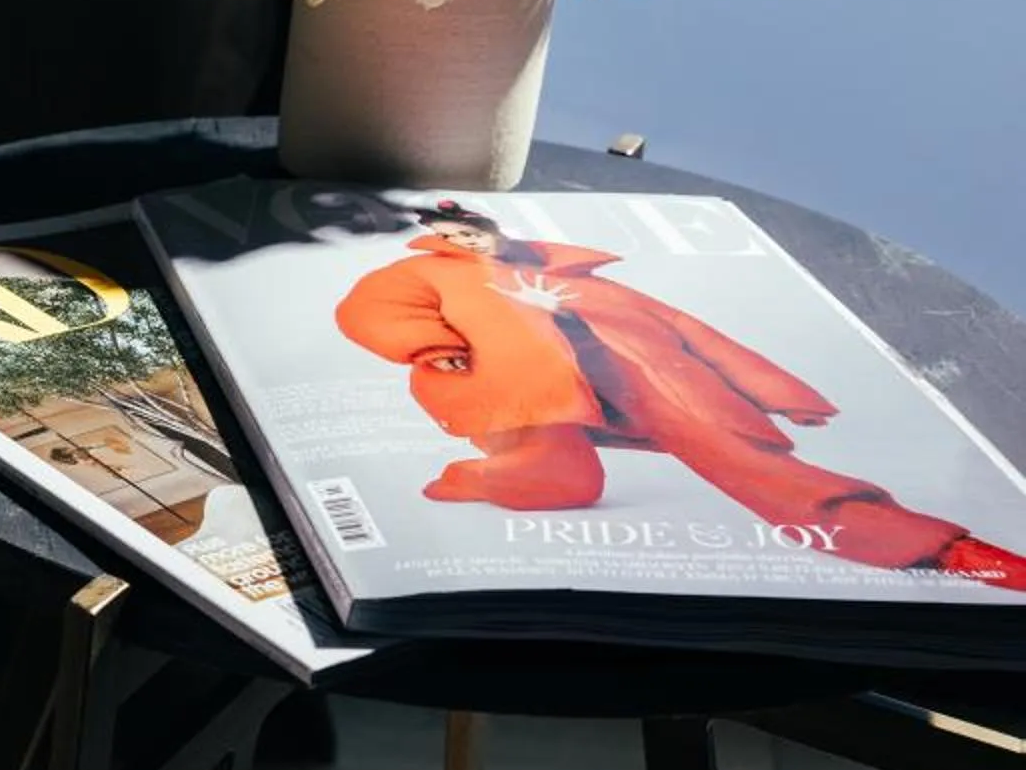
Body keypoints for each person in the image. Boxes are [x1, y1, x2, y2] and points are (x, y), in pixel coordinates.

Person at [333, 201, 1026, 589]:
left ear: (495, 229)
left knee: (751, 460)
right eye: (448, 234)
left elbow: (694, 333)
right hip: (516, 388)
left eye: (470, 229)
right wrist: (430, 345)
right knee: (559, 477)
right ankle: (483, 476)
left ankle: (930, 548)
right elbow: (370, 309)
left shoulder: (589, 280)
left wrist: (778, 391)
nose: (461, 239)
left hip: (646, 381)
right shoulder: (431, 278)